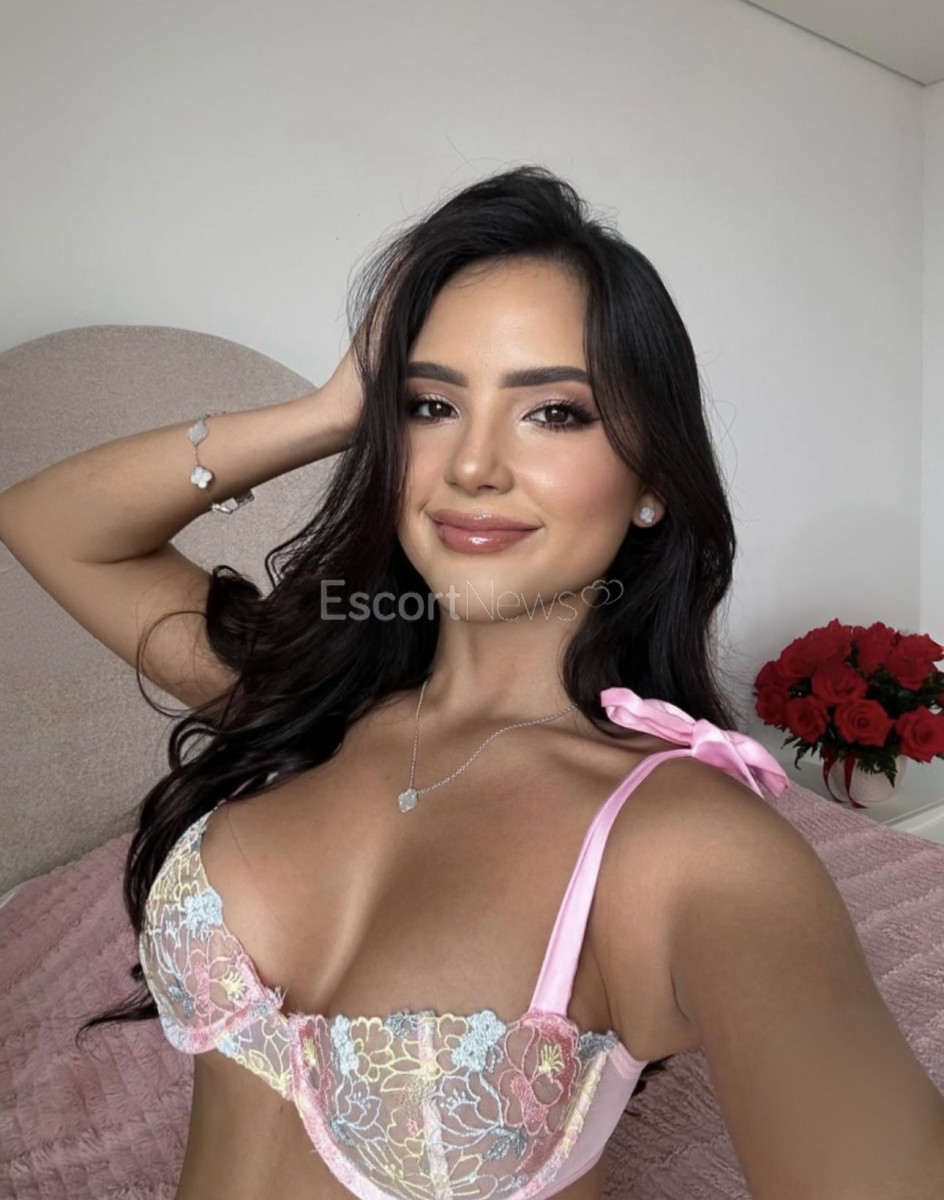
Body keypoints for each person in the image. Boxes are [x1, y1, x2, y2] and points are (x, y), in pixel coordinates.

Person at [2, 165, 942, 1200]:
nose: (473, 467)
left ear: (652, 481)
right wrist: (330, 412)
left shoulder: (685, 847)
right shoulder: (306, 699)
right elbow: (49, 524)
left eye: (554, 413)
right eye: (432, 404)